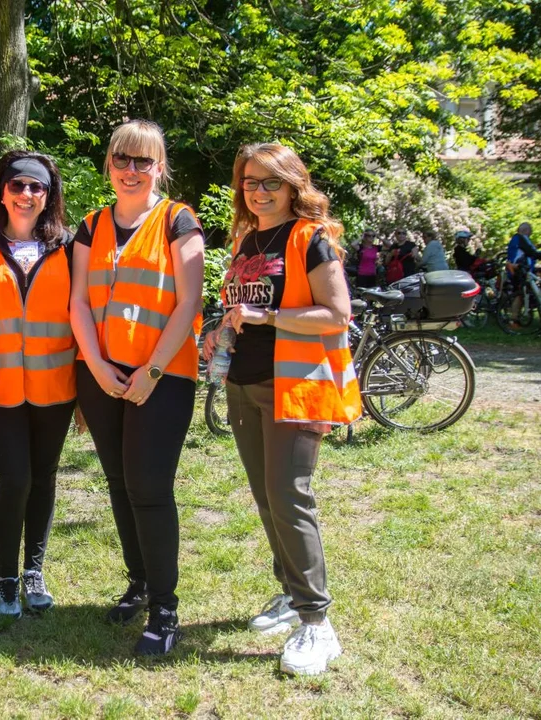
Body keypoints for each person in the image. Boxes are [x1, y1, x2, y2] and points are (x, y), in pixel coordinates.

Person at [203, 142, 360, 677]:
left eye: (272, 181)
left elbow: (336, 315)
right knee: (268, 499)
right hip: (244, 385)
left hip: (293, 385)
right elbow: (241, 305)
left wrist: (266, 315)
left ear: (294, 185)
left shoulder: (309, 238)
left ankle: (318, 623)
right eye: (251, 181)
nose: (260, 190)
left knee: (289, 497)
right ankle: (293, 596)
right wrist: (221, 326)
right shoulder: (248, 238)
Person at [69, 119, 205, 656]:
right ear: (109, 164)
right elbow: (79, 302)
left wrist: (150, 372)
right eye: (122, 159)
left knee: (149, 488)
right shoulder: (90, 225)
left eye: (143, 161)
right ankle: (139, 581)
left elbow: (188, 302)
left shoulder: (178, 220)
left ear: (159, 167)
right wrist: (98, 368)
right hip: (102, 373)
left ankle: (165, 608)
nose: (131, 170)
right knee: (120, 484)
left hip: (163, 375)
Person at [0, 151, 76, 618]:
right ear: (2, 192)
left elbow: (85, 314)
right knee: (16, 479)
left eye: (37, 188)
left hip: (57, 386)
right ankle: (6, 576)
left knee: (44, 478)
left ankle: (34, 570)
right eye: (17, 186)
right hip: (0, 388)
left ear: (48, 195)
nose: (27, 195)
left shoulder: (69, 245)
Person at [506, 222, 541, 325]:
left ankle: (515, 319)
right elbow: (532, 252)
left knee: (521, 294)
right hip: (520, 270)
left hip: (517, 270)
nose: (531, 233)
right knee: (520, 294)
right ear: (527, 230)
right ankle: (513, 320)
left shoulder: (516, 239)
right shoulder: (521, 238)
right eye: (531, 231)